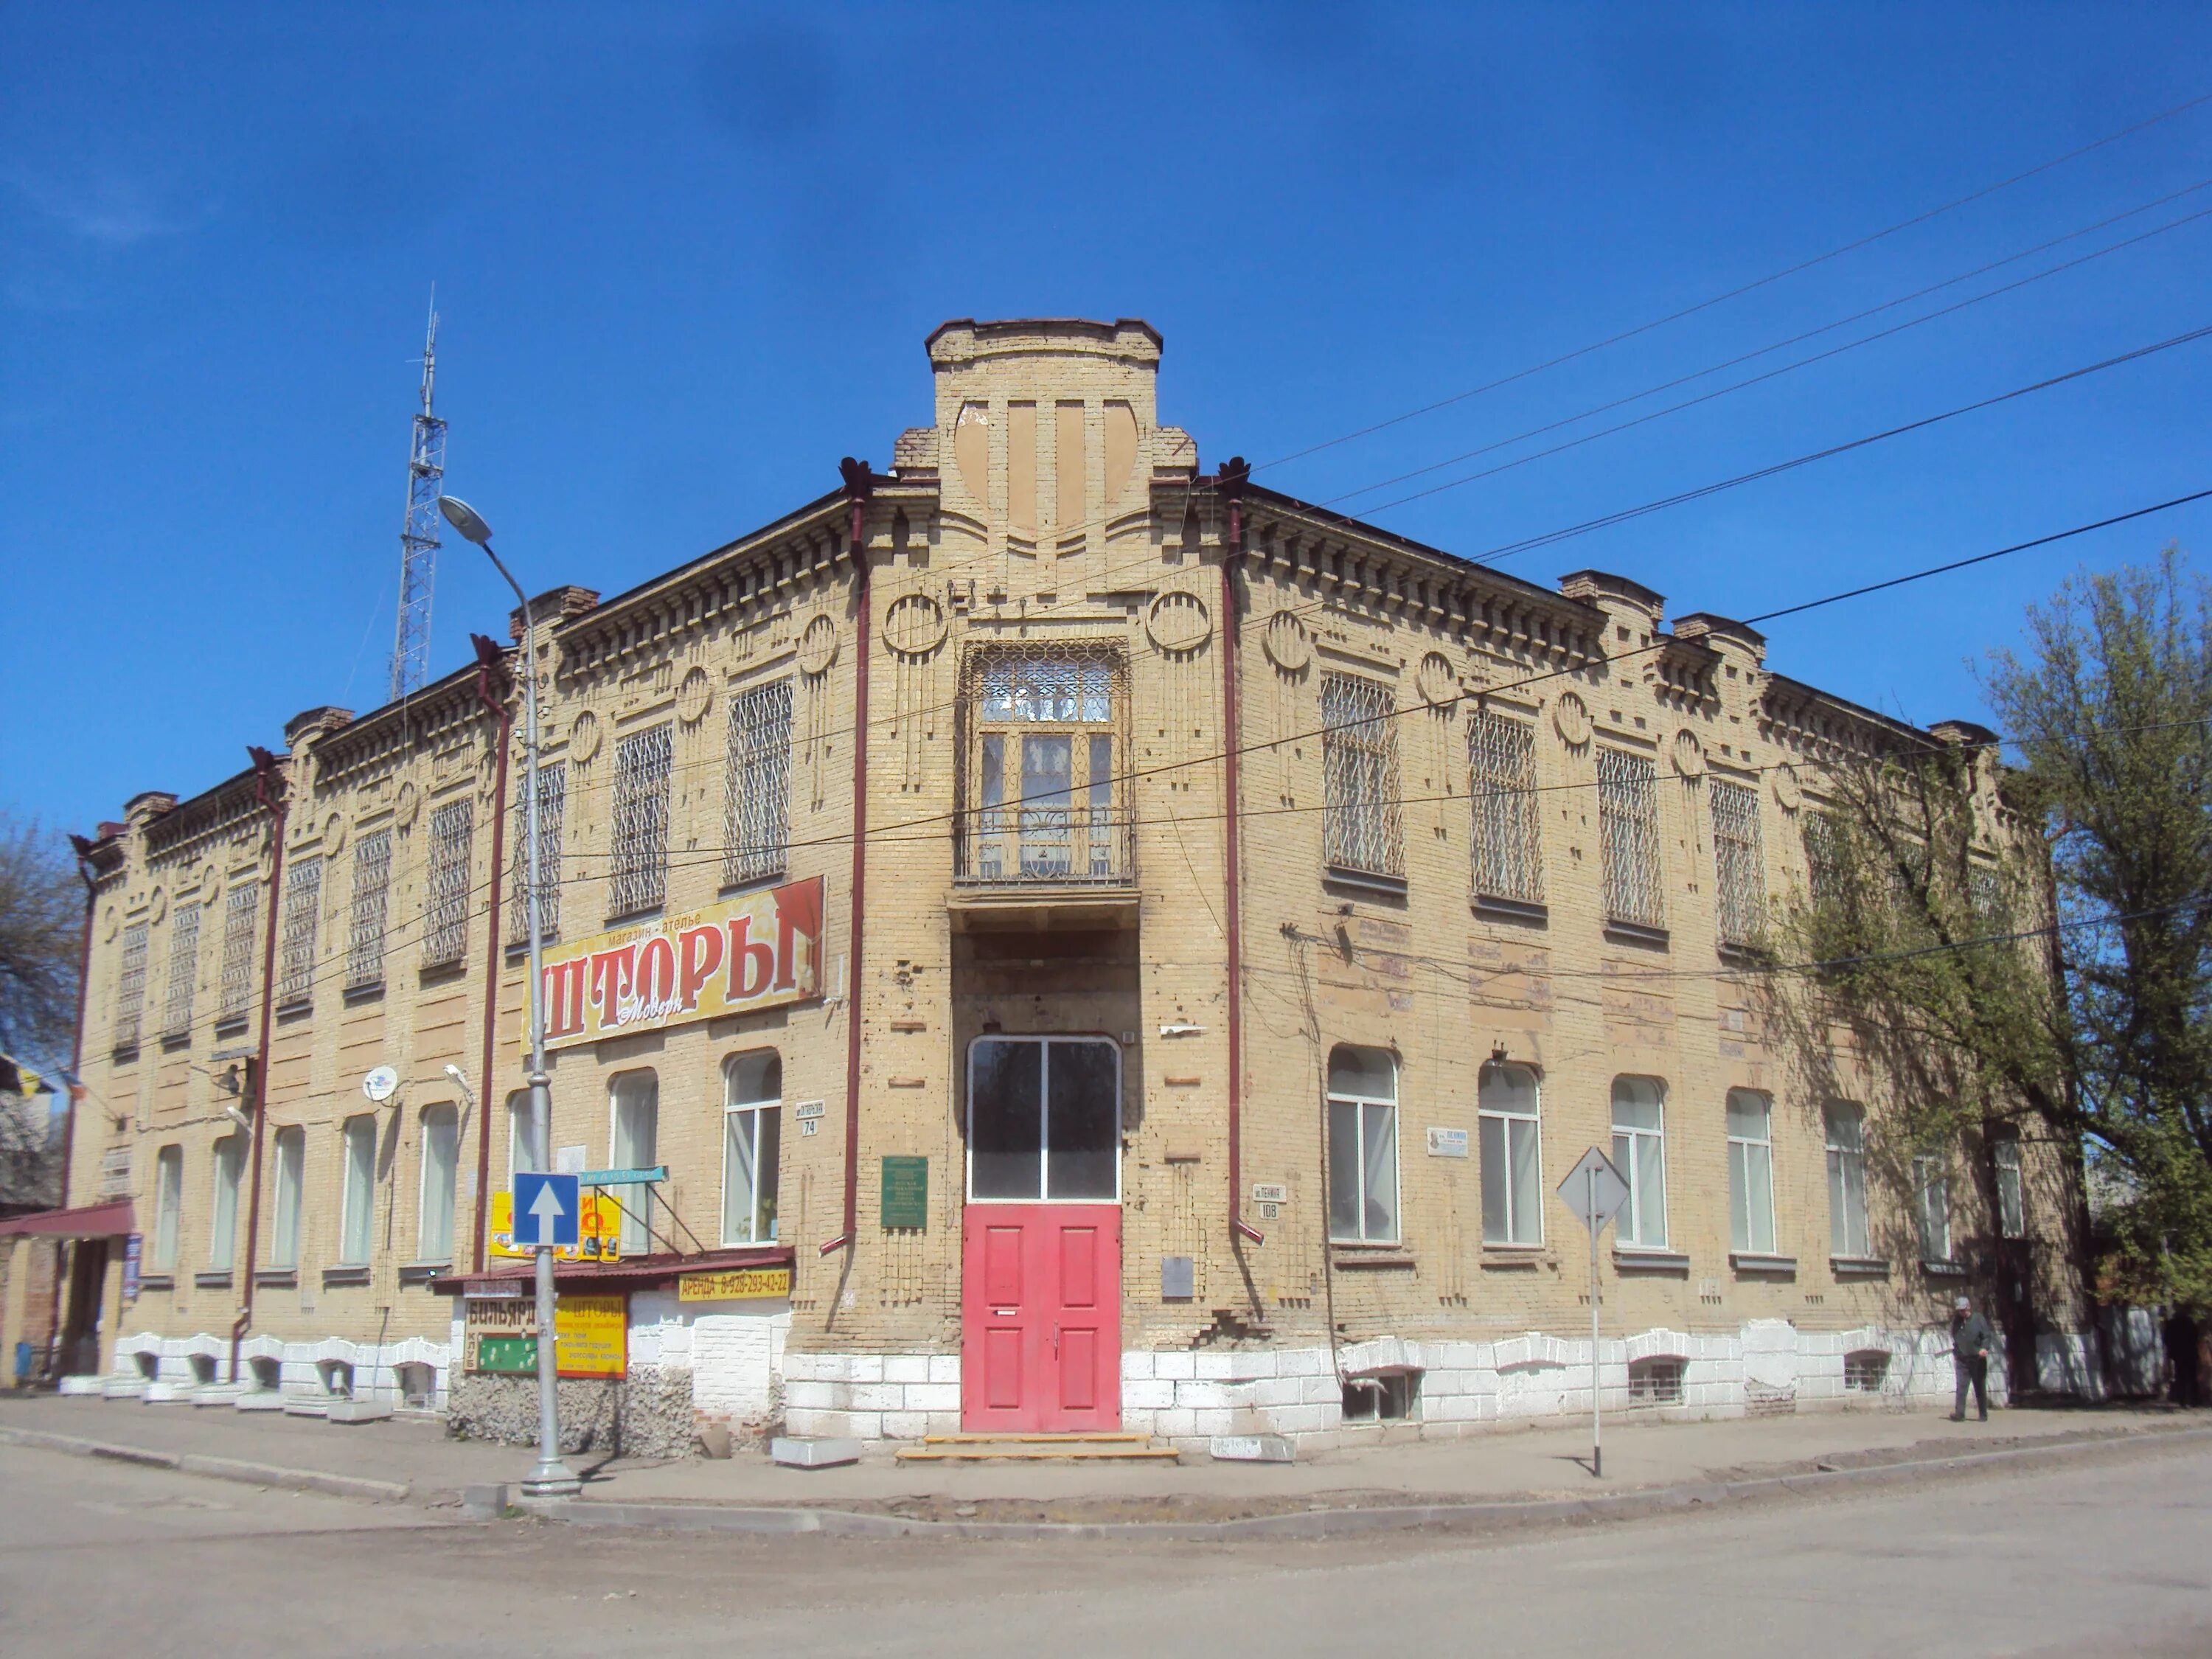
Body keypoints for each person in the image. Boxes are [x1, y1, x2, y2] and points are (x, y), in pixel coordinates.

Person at [1950, 1295, 1994, 1421]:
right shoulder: (1957, 1321)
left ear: (1969, 1306)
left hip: (1977, 1359)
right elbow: (1955, 1336)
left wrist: (1984, 1348)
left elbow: (1987, 1336)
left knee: (1979, 1386)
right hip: (1962, 1359)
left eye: (1963, 1309)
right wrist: (1957, 1351)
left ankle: (1983, 1414)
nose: (1962, 1312)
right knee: (1961, 1387)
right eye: (1959, 1310)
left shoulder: (1978, 1319)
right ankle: (1959, 1414)